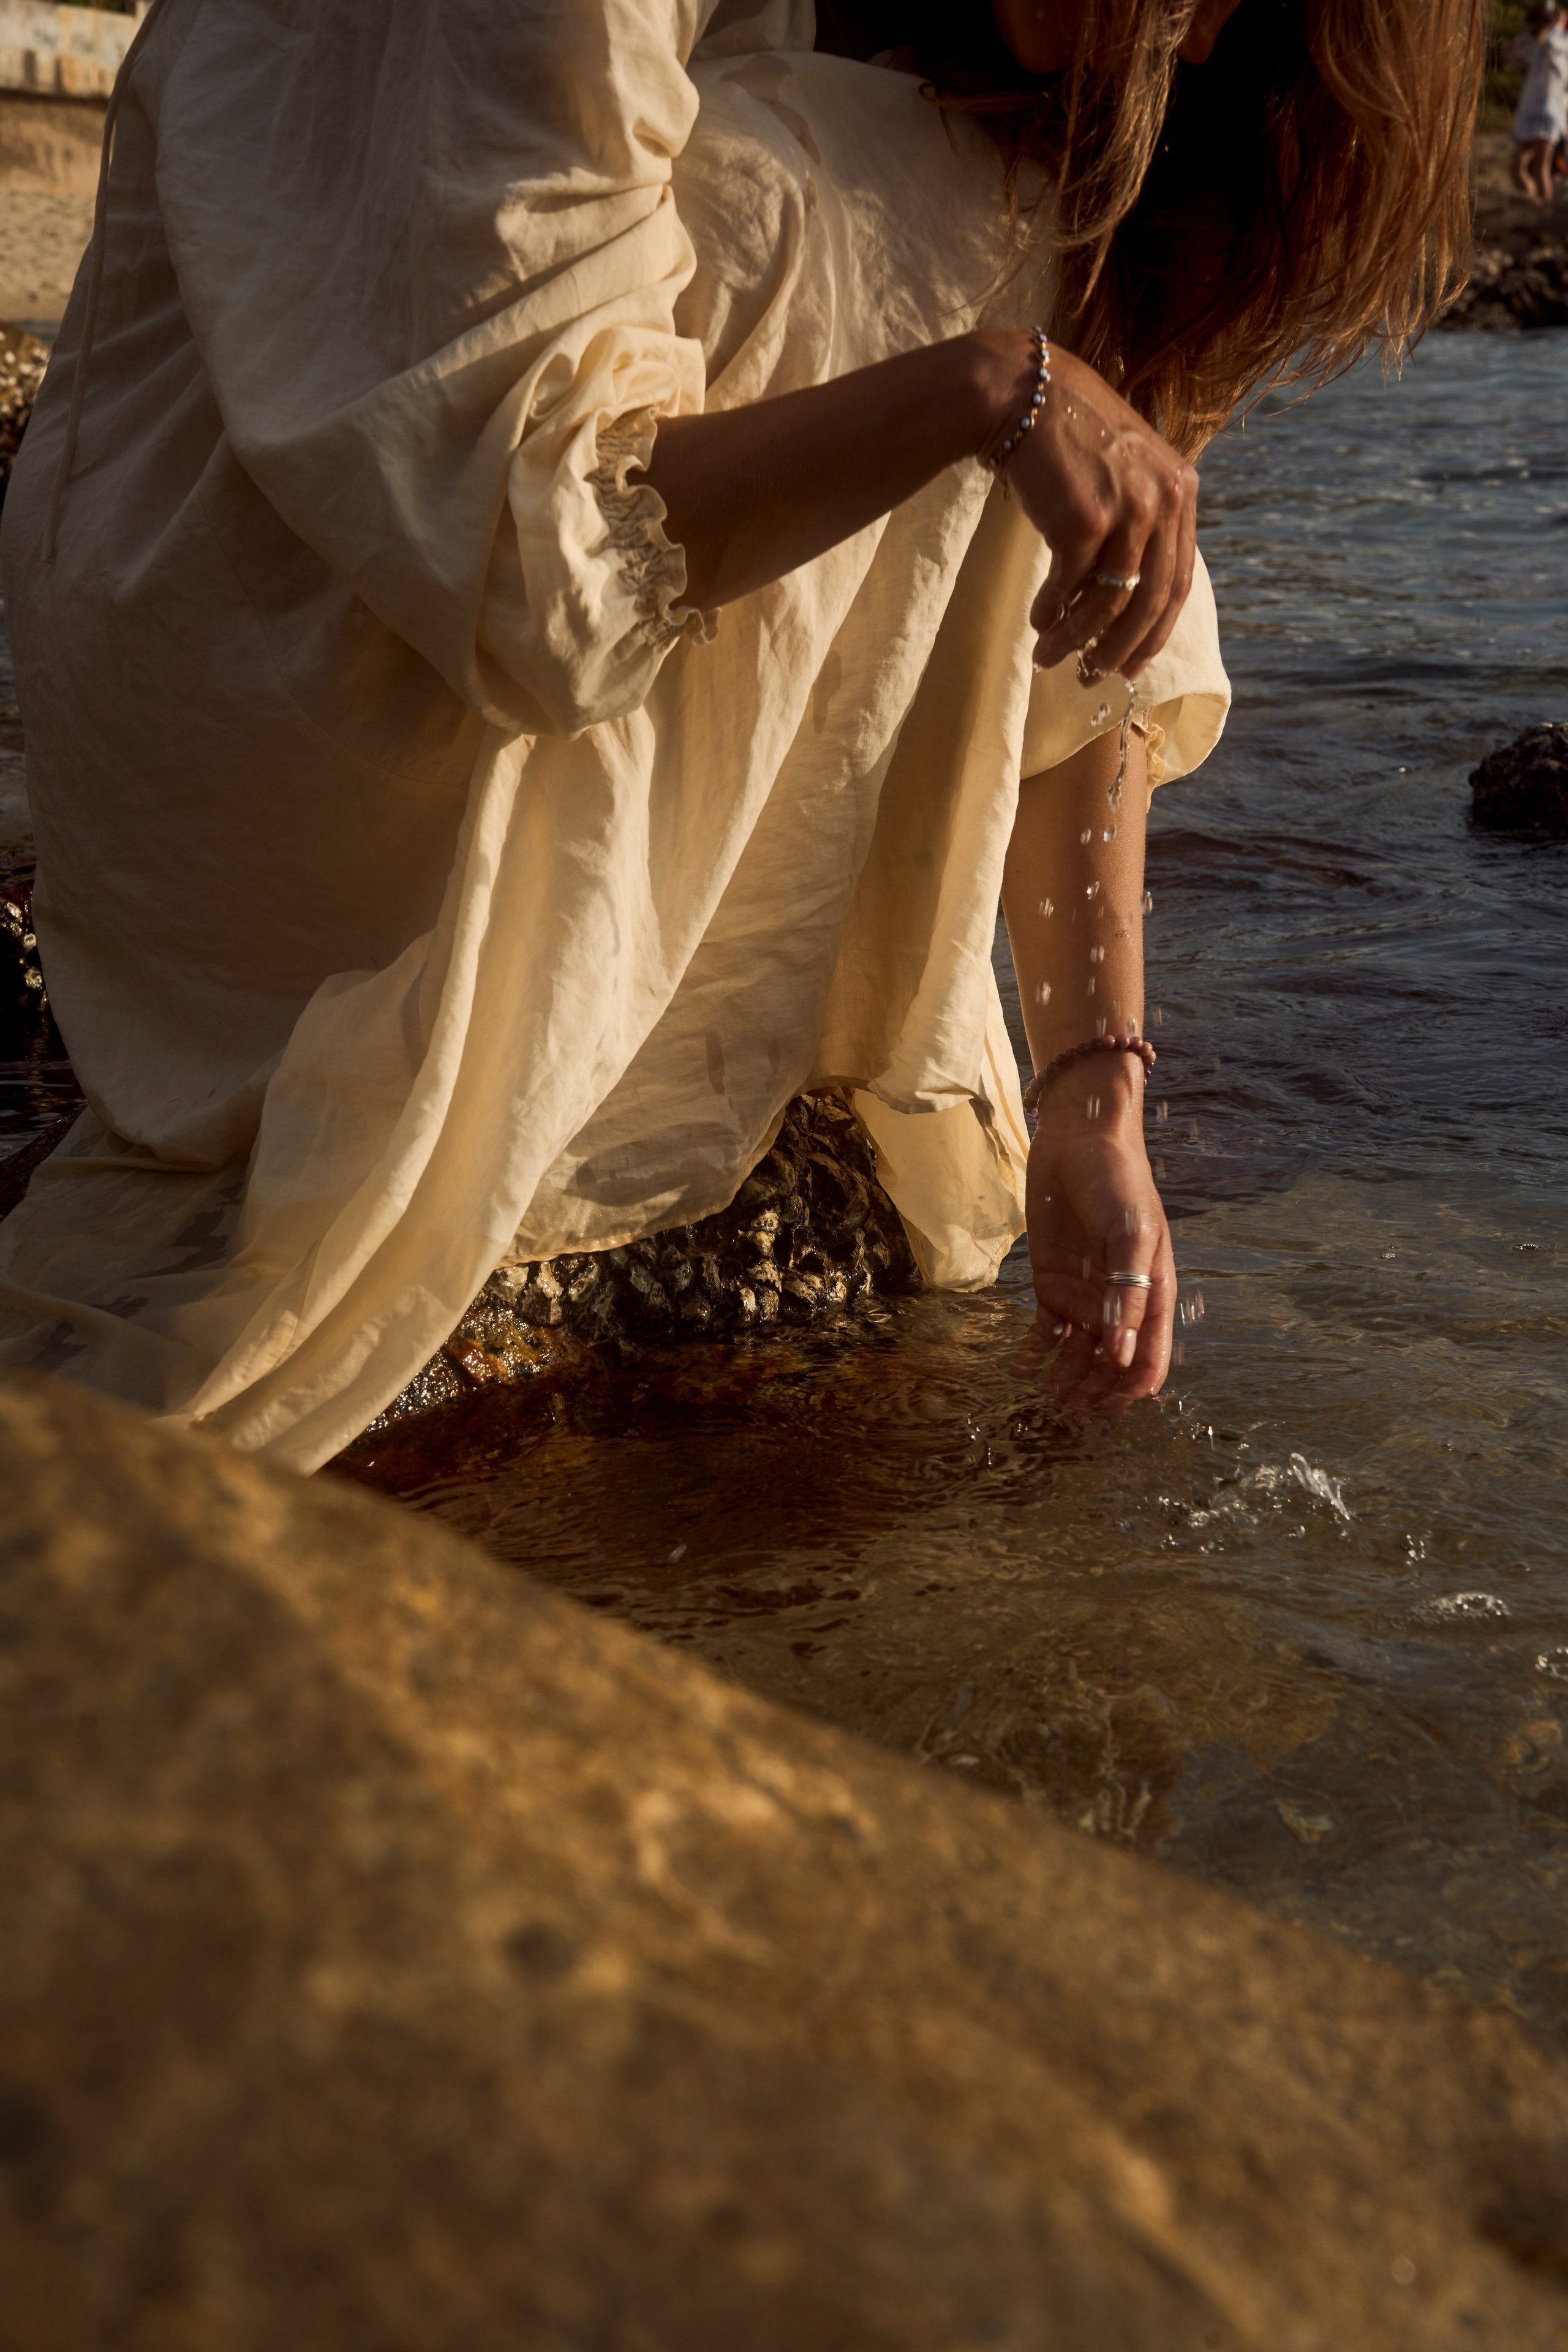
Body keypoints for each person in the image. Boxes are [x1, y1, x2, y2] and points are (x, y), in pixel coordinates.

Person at [0, 0, 1479, 1471]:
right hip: (254, 633)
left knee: (1028, 220)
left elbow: (1096, 604)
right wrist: (987, 386)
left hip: (435, 576)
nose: (1199, 39)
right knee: (906, 217)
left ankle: (728, 963)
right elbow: (550, 561)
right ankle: (595, 985)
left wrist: (1096, 1092)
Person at [1511, 3, 1568, 201]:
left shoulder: (1563, 42)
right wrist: (1538, 25)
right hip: (1530, 110)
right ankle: (1532, 205)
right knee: (1517, 167)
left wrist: (1553, 25)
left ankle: (1543, 208)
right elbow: (1517, 48)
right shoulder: (1538, 41)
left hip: (1551, 112)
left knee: (1542, 168)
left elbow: (1552, 44)